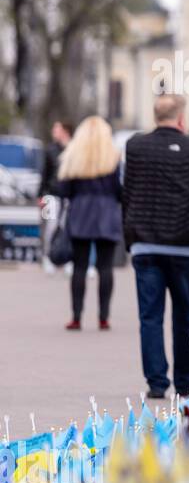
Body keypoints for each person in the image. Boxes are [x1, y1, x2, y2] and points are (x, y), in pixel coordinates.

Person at [121, 94, 189, 399]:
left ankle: (156, 382)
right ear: (180, 118)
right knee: (186, 313)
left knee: (149, 316)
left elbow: (125, 187)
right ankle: (186, 379)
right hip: (184, 245)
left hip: (144, 244)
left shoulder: (132, 146)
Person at [53, 116, 122, 330]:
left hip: (81, 213)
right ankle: (103, 317)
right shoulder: (114, 157)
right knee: (105, 267)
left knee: (80, 267)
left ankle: (76, 316)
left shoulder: (74, 156)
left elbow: (63, 190)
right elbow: (121, 191)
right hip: (107, 213)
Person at [39, 120, 72, 273]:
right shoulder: (50, 150)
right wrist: (40, 195)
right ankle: (47, 257)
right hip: (51, 195)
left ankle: (67, 259)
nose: (54, 131)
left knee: (67, 227)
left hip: (69, 196)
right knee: (50, 227)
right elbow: (44, 174)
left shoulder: (73, 149)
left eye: (57, 129)